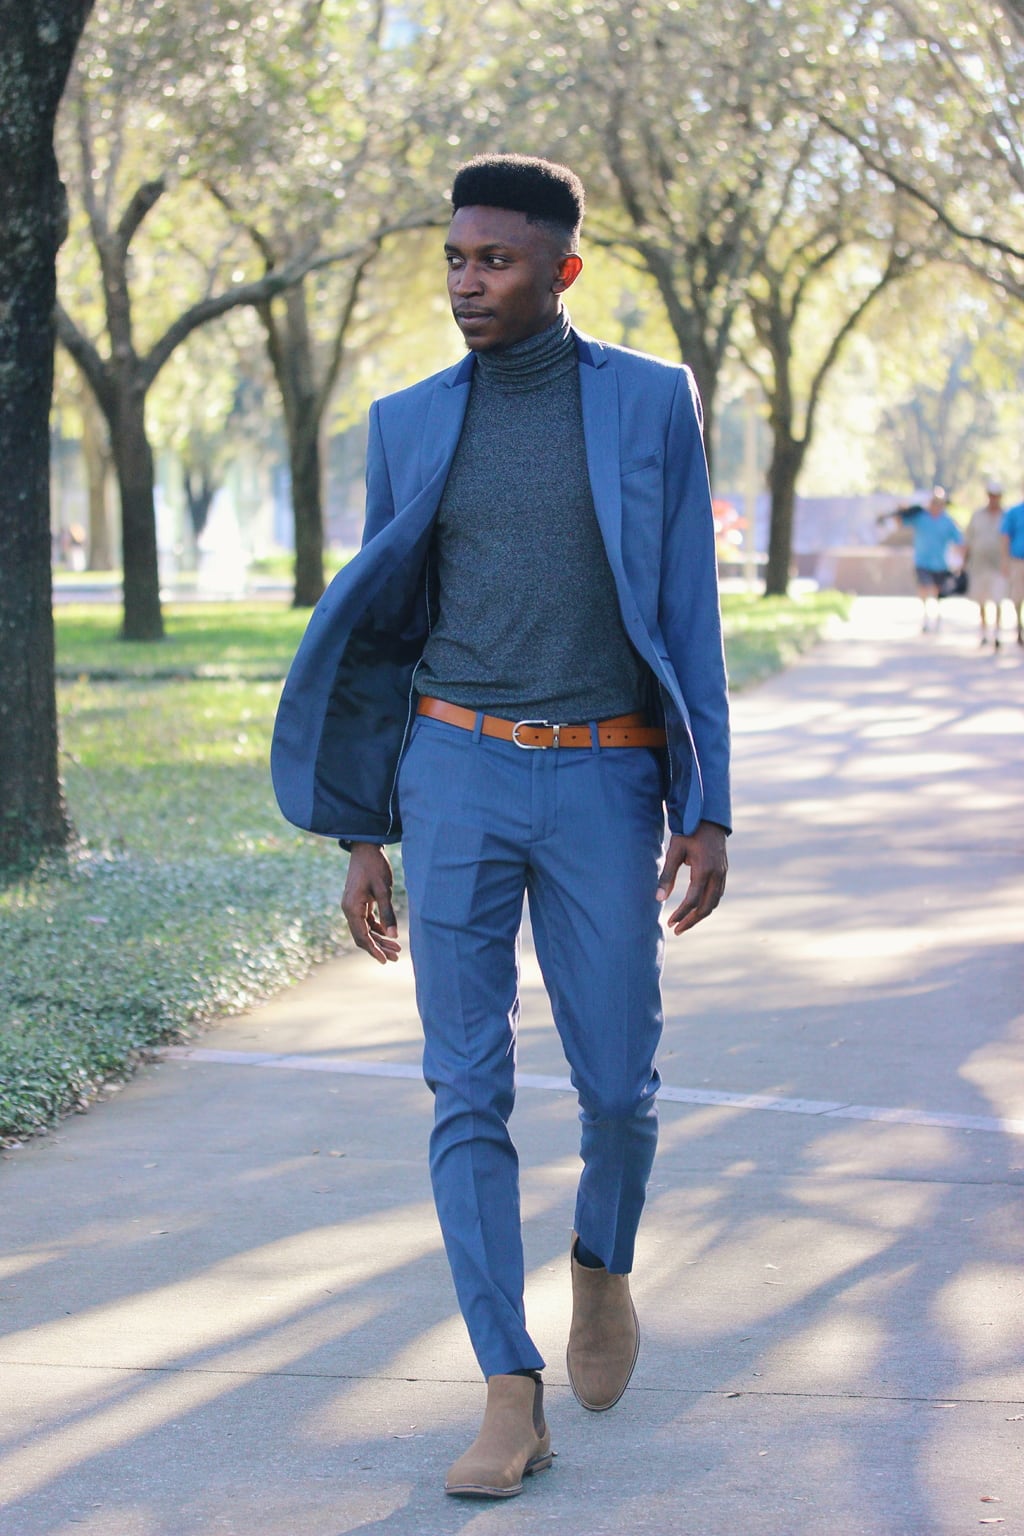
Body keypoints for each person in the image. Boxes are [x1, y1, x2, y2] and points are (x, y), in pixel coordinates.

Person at [271, 154, 731, 1499]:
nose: (468, 282)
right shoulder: (407, 422)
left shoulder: (650, 404)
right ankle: (505, 1387)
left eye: (497, 261)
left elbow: (689, 609)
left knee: (617, 1090)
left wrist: (707, 809)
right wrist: (366, 825)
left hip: (605, 777)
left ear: (562, 270)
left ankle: (602, 1262)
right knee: (464, 1088)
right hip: (453, 773)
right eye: (457, 259)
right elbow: (380, 633)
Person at [877, 486, 964, 632]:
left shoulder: (947, 521)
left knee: (936, 590)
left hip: (940, 562)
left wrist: (960, 561)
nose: (936, 505)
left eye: (939, 503)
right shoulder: (921, 517)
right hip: (922, 561)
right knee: (924, 588)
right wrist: (900, 511)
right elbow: (901, 523)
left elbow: (958, 541)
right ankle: (925, 617)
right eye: (934, 502)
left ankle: (936, 617)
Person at [964, 480, 1006, 647]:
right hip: (979, 563)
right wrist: (964, 560)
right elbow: (969, 538)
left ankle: (996, 632)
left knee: (998, 598)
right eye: (991, 495)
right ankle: (983, 631)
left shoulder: (1006, 515)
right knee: (981, 599)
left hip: (998, 563)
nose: (993, 499)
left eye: (996, 496)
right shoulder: (977, 515)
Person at [1001, 486, 1024, 646]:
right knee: (1017, 595)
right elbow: (1005, 537)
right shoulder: (1014, 512)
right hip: (1018, 561)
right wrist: (1005, 561)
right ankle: (1018, 626)